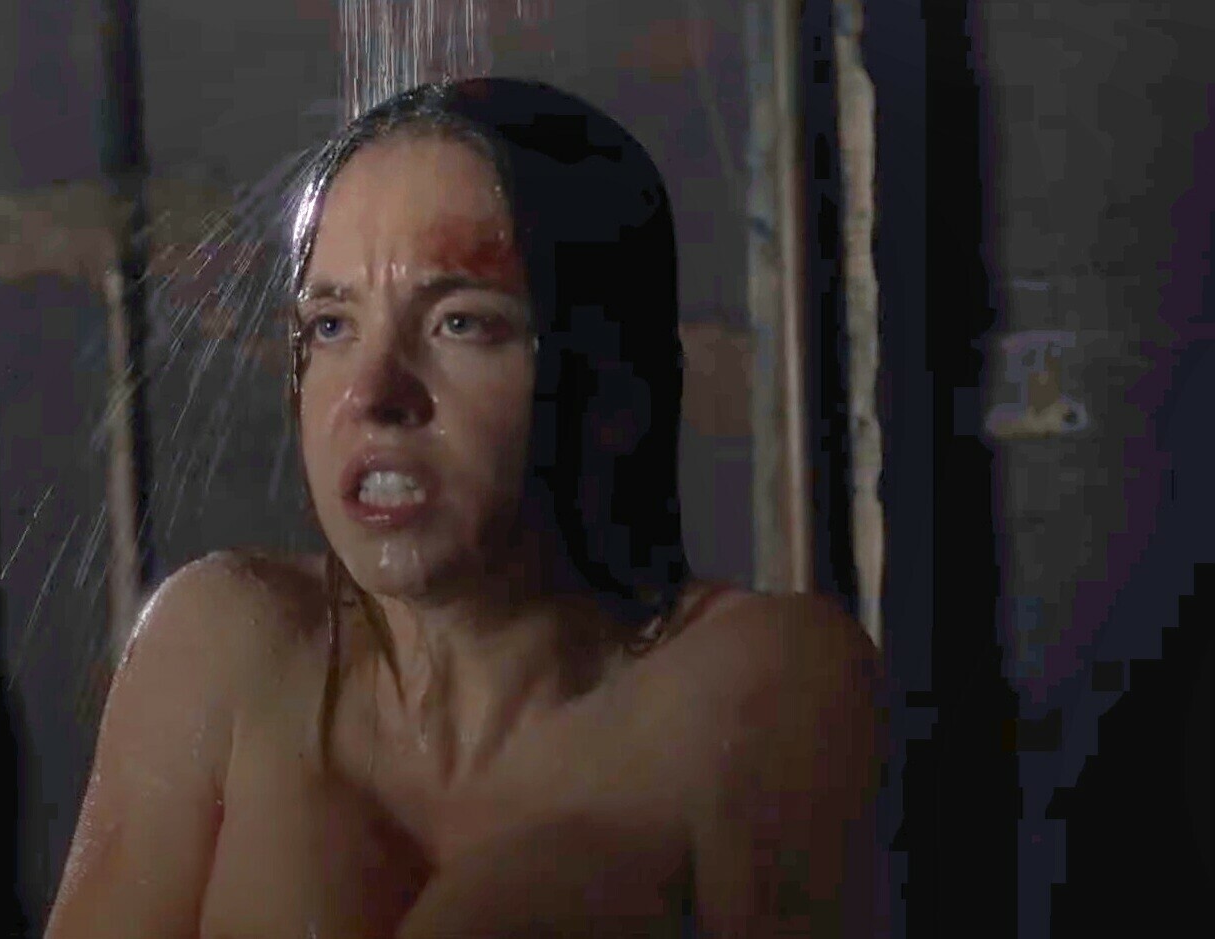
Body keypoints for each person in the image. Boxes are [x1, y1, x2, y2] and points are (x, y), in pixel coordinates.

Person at [45, 77, 884, 939]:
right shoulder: (220, 648)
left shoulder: (752, 692)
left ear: (617, 385)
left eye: (460, 323)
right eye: (331, 325)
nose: (373, 394)